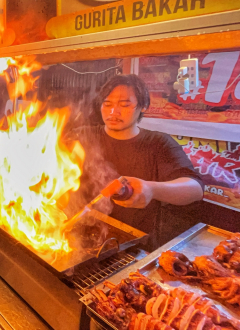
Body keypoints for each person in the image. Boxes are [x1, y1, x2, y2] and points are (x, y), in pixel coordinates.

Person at [72, 74, 204, 249]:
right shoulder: (82, 136)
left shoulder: (158, 143)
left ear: (143, 107)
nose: (113, 112)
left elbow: (195, 189)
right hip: (77, 237)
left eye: (125, 105)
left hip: (132, 245)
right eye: (107, 104)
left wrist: (151, 189)